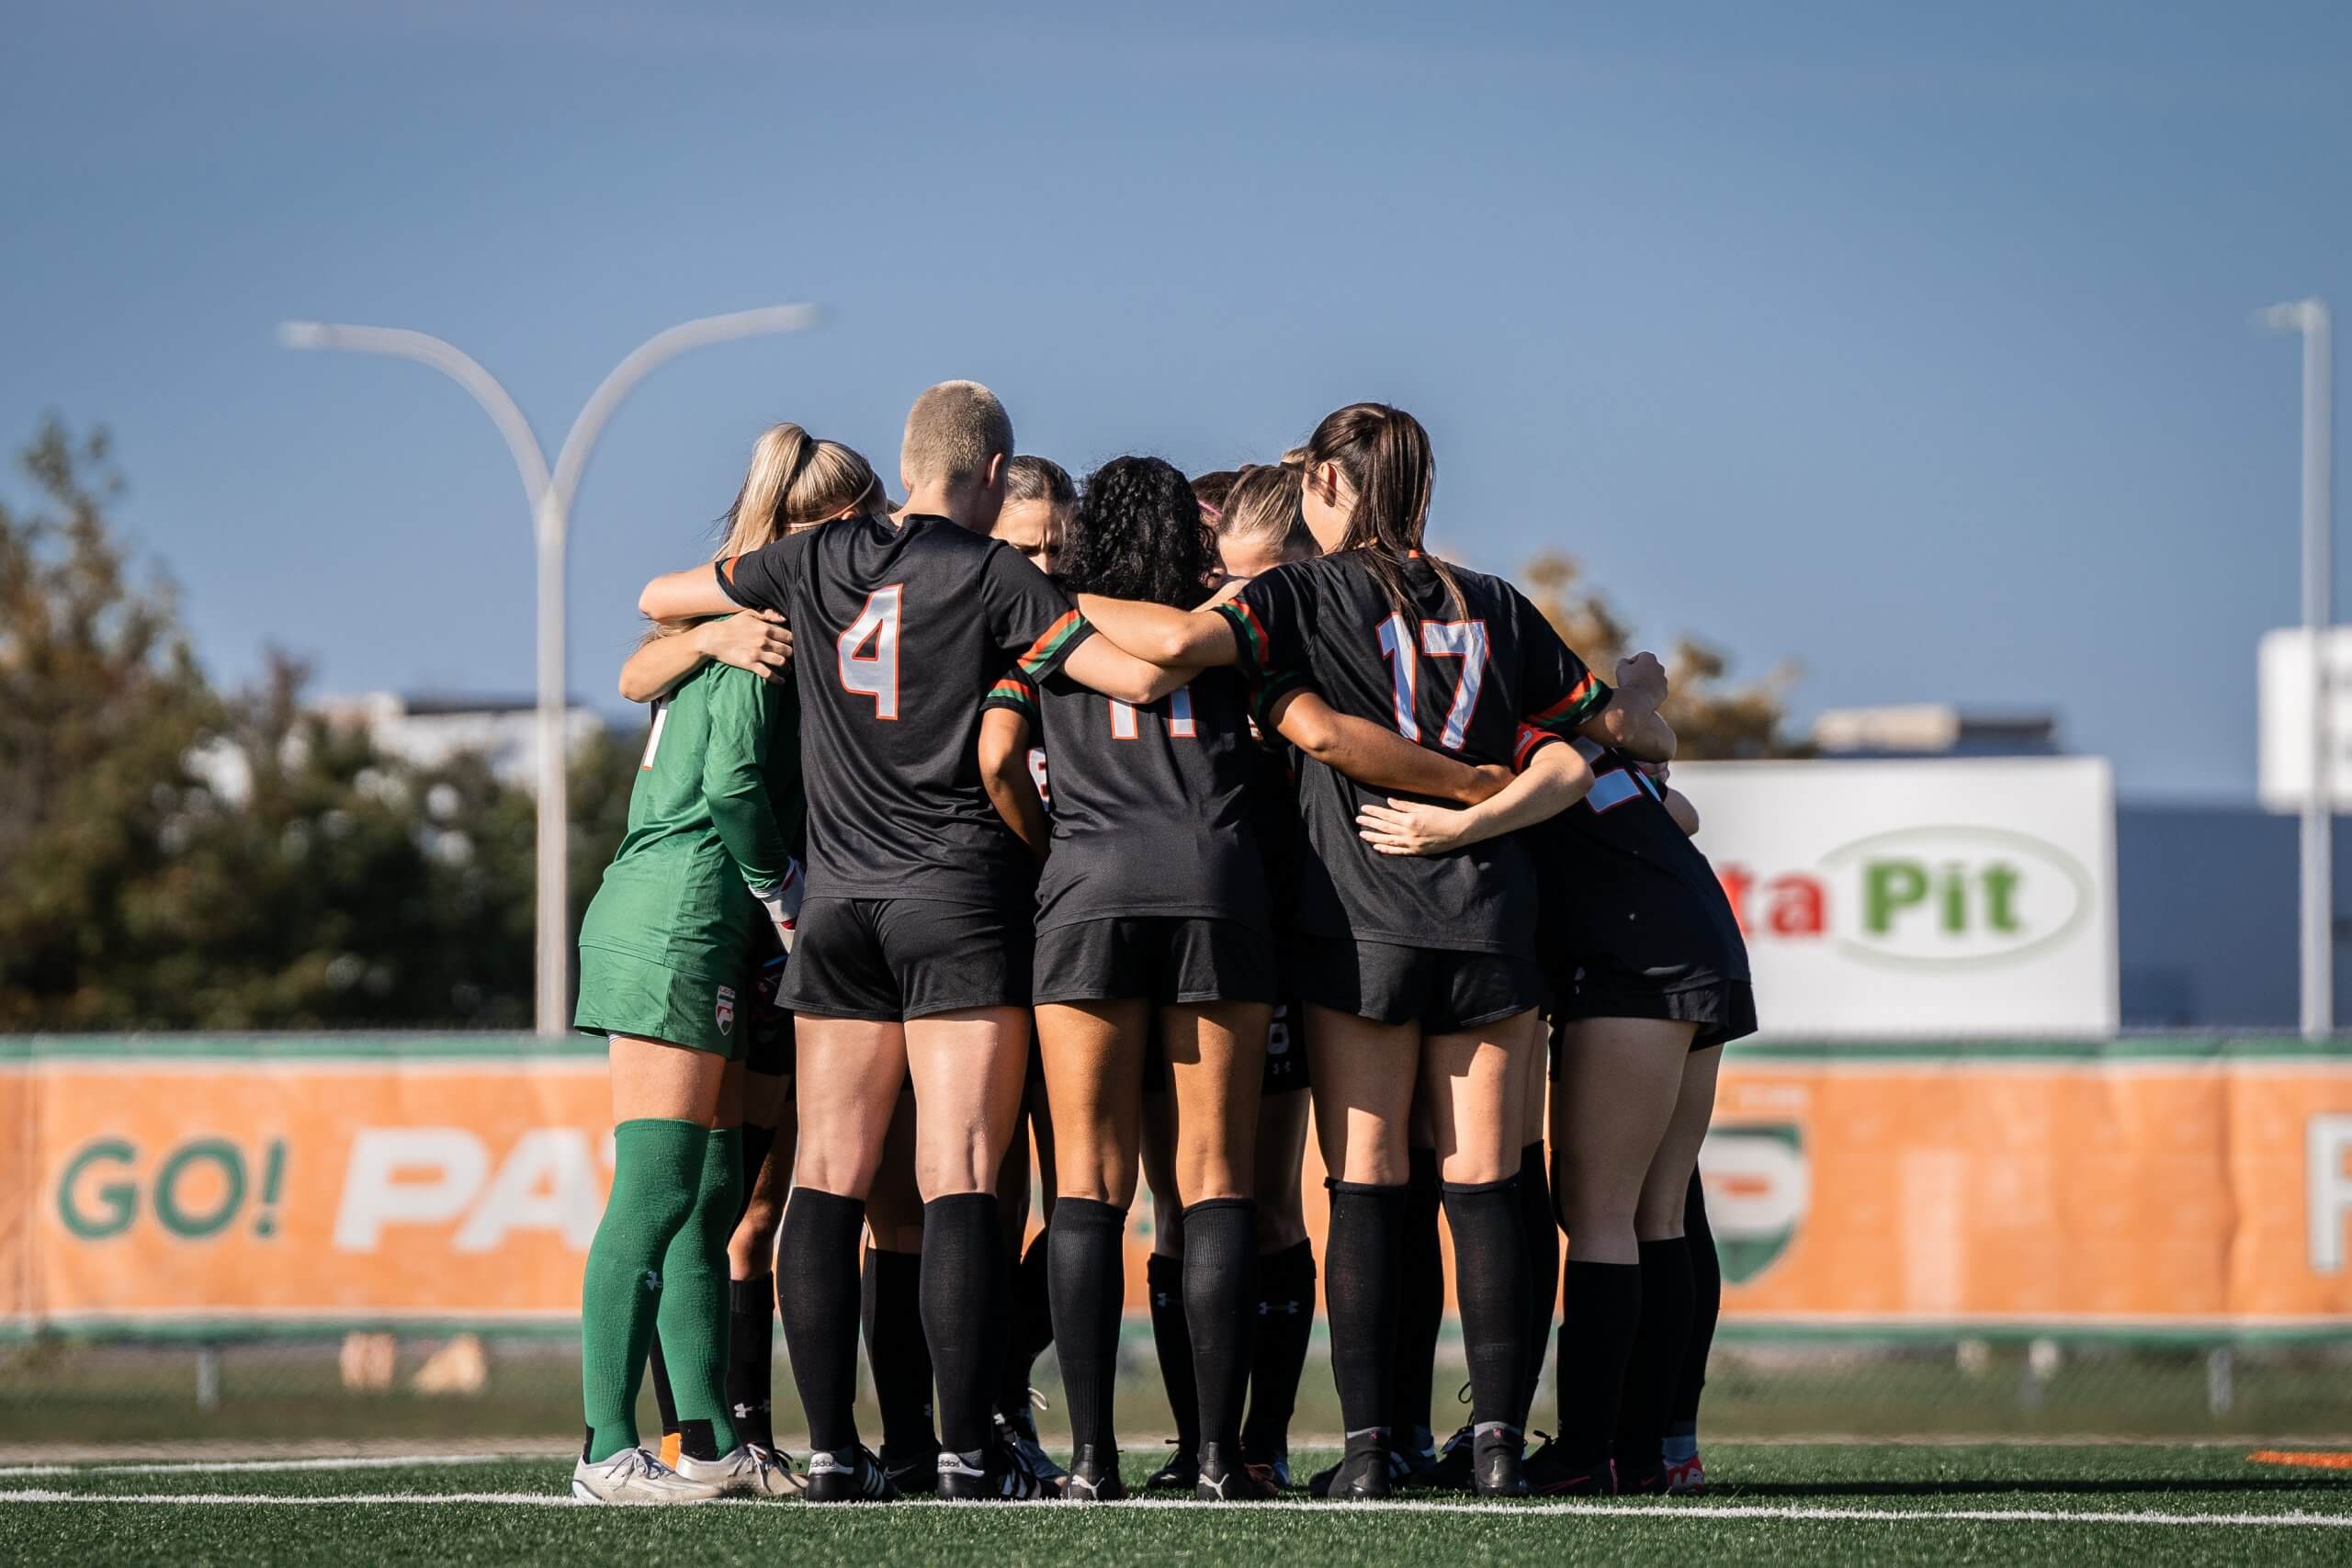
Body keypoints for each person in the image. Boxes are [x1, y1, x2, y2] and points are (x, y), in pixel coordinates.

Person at [1070, 402, 1670, 1498]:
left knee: (1366, 1182)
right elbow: (1608, 731)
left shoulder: (1300, 590)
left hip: (1361, 920)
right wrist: (1625, 706)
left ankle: (1368, 1452)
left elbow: (1166, 645)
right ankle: (1494, 1447)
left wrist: (1035, 592)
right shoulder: (1497, 604)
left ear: (1333, 489)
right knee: (1488, 1184)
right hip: (1489, 913)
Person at [636, 381, 1198, 1503]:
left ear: (906, 463)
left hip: (836, 907)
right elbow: (1135, 671)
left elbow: (657, 595)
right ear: (993, 474)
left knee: (827, 1181)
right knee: (960, 1180)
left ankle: (834, 1451)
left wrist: (724, 627)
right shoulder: (999, 574)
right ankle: (955, 1449)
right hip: (956, 902)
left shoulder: (818, 555)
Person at [981, 456, 1509, 1501]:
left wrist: (1058, 856)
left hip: (1087, 898)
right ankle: (1223, 1456)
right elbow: (1304, 735)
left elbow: (999, 757)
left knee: (1086, 1189)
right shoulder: (1239, 635)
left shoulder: (1047, 633)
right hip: (1223, 900)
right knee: (1218, 1185)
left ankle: (1090, 1462)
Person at [569, 422, 877, 1505]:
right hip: (678, 923)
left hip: (704, 928)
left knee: (707, 1203)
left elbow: (642, 653)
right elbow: (738, 785)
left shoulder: (723, 615)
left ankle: (704, 1442)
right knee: (654, 1193)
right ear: (832, 529)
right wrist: (784, 898)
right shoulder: (767, 626)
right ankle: (607, 1447)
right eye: (866, 527)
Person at [1365, 743, 1745, 1495]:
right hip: (1701, 939)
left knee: (1600, 1213)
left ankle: (1591, 1452)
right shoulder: (1578, 735)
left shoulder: (1502, 738)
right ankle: (1652, 1452)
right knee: (1657, 1212)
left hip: (1636, 959)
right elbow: (1682, 811)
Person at [1135, 463, 1323, 1492]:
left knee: (1269, 1202)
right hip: (1197, 945)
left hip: (1275, 943)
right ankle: (1198, 1439)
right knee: (1183, 1201)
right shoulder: (1181, 637)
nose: (1225, 585)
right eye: (1215, 563)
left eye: (1244, 570)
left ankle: (1264, 1441)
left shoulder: (1295, 640)